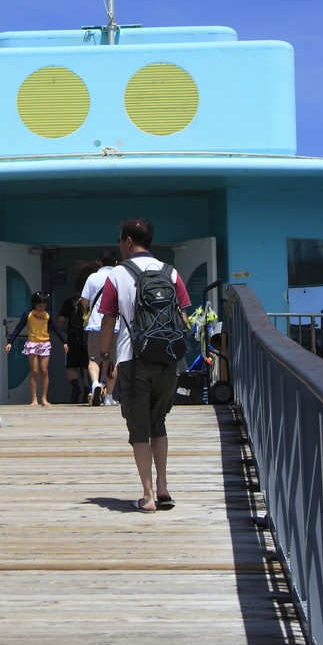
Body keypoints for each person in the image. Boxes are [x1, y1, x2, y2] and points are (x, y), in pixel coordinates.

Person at [98, 220, 191, 515]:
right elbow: (185, 318)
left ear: (127, 241)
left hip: (133, 358)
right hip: (166, 359)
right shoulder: (170, 272)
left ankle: (148, 496)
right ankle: (163, 486)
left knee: (139, 429)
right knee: (158, 422)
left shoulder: (117, 274)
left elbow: (109, 320)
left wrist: (104, 355)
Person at [80, 247, 121, 405]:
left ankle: (95, 383)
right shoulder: (119, 277)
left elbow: (84, 301)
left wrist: (89, 308)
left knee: (93, 358)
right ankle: (109, 397)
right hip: (115, 325)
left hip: (96, 325)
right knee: (112, 360)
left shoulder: (93, 277)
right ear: (116, 262)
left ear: (100, 262)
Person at [3, 290, 53, 406]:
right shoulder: (28, 314)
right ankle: (34, 399)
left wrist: (64, 342)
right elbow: (19, 327)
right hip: (32, 343)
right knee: (34, 371)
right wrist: (10, 342)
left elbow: (54, 327)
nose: (42, 307)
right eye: (40, 305)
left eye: (44, 305)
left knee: (44, 371)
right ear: (34, 304)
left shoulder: (47, 315)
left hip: (44, 343)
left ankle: (44, 398)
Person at [58, 273, 92, 407]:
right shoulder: (89, 303)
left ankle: (75, 386)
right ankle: (86, 389)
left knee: (71, 365)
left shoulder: (69, 302)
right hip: (88, 335)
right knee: (86, 365)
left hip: (73, 336)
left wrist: (62, 332)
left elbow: (60, 321)